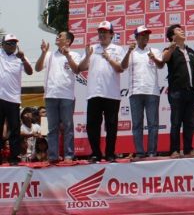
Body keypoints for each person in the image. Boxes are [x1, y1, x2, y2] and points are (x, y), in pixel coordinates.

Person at [78, 21, 125, 162]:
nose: (102, 34)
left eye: (105, 32)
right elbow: (81, 68)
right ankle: (96, 153)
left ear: (112, 34)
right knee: (92, 125)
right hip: (94, 93)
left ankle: (110, 153)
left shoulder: (118, 49)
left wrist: (109, 58)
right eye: (100, 32)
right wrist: (87, 56)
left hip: (111, 94)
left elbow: (120, 68)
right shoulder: (92, 48)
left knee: (111, 125)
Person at [34, 31, 81, 163]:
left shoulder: (75, 55)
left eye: (60, 36)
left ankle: (68, 155)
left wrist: (67, 56)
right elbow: (37, 68)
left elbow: (76, 70)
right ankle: (53, 156)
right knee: (52, 128)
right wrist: (43, 53)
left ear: (68, 41)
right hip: (51, 95)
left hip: (67, 96)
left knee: (67, 126)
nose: (57, 37)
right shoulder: (49, 55)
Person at [121, 25, 164, 159]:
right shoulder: (131, 52)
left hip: (152, 92)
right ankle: (139, 152)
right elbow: (122, 66)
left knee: (153, 124)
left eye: (147, 34)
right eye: (142, 34)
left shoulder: (154, 51)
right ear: (136, 37)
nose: (145, 37)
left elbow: (161, 65)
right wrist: (128, 52)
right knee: (137, 124)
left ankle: (152, 152)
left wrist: (154, 58)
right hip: (135, 92)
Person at [162, 24, 194, 158]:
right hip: (176, 92)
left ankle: (188, 149)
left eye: (182, 29)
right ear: (172, 36)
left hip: (191, 91)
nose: (182, 31)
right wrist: (171, 48)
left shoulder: (190, 50)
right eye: (178, 30)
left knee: (190, 123)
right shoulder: (169, 49)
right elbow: (164, 59)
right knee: (176, 122)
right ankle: (174, 150)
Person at [0, 34, 33, 165]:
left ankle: (14, 157)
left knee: (14, 129)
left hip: (13, 99)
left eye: (14, 43)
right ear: (2, 44)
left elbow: (30, 72)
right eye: (9, 43)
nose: (12, 45)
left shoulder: (20, 57)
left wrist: (23, 58)